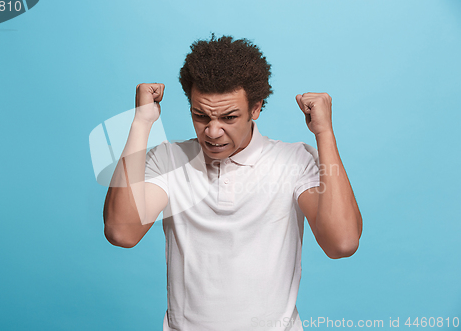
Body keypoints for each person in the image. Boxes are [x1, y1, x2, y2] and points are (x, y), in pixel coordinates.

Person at [103, 34, 362, 331]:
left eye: (229, 117)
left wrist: (324, 134)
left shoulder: (294, 161)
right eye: (200, 116)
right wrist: (141, 122)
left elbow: (342, 243)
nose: (212, 132)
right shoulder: (169, 159)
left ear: (255, 109)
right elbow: (122, 232)